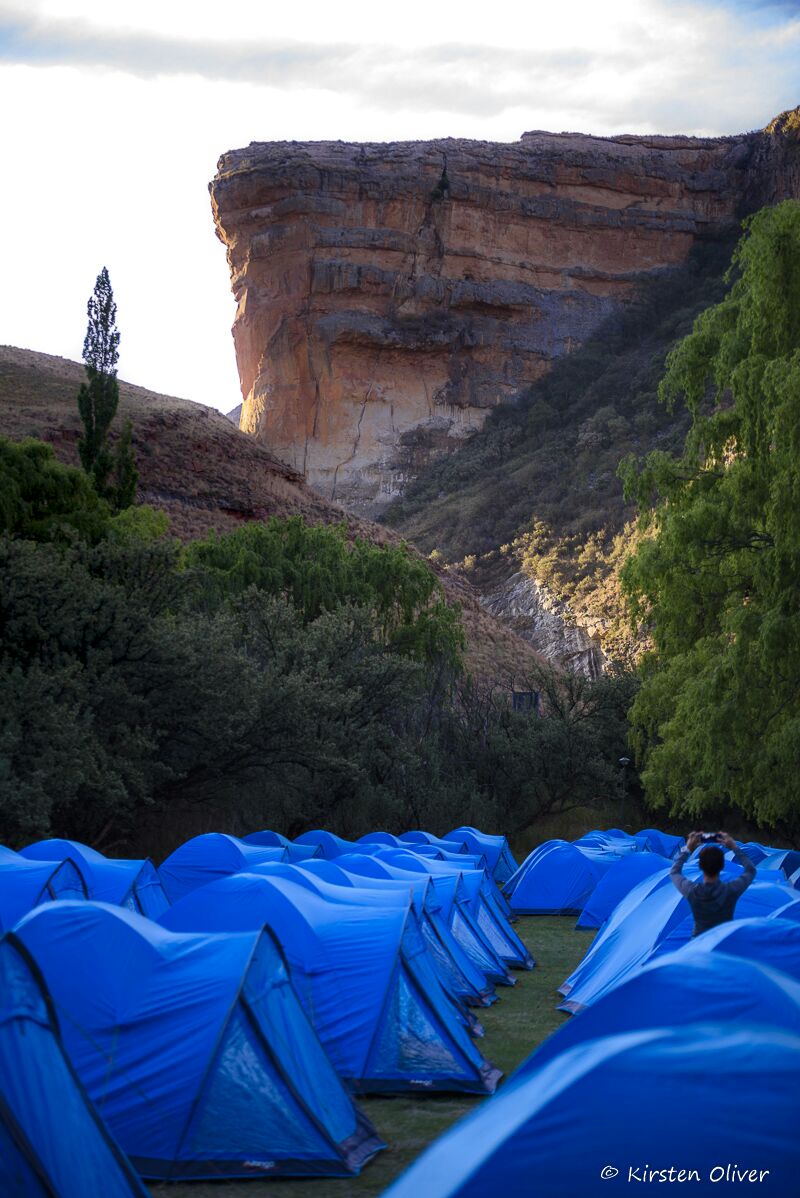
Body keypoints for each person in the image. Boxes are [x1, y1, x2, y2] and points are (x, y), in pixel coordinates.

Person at [670, 831, 756, 937]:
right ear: (722, 866)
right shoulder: (731, 890)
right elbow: (751, 870)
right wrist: (734, 847)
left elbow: (674, 872)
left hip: (698, 944)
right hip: (722, 943)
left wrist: (687, 848)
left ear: (700, 866)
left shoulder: (692, 891)